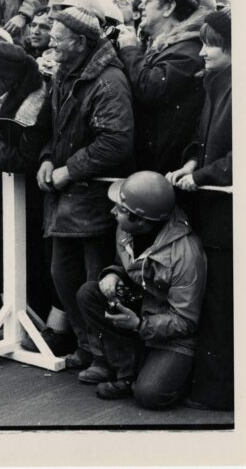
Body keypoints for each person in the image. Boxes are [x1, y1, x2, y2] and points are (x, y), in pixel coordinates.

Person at [36, 6, 134, 370]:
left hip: (94, 201)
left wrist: (69, 171)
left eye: (57, 39)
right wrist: (48, 158)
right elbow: (53, 129)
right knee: (63, 276)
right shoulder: (66, 73)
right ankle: (88, 346)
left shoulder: (108, 81)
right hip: (68, 198)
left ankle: (106, 357)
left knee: (95, 284)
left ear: (79, 42)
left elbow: (115, 142)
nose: (51, 44)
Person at [76, 171, 206, 407]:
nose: (113, 212)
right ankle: (127, 375)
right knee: (90, 293)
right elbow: (124, 265)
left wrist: (138, 325)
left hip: (172, 333)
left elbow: (186, 321)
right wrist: (113, 274)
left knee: (150, 395)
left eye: (121, 209)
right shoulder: (127, 228)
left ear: (142, 219)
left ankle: (169, 374)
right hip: (143, 309)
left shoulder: (186, 254)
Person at [167, 8, 233, 411]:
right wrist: (193, 164)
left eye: (211, 44)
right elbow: (202, 139)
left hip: (227, 219)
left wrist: (204, 174)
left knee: (224, 305)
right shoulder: (216, 84)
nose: (203, 52)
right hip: (214, 215)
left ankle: (221, 394)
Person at [0, 42, 52, 329]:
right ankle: (15, 323)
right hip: (7, 191)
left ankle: (30, 326)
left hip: (35, 196)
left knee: (13, 251)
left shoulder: (33, 103)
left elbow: (28, 157)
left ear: (6, 78)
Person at [117, 0, 205, 175]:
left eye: (148, 0)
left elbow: (150, 88)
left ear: (169, 7)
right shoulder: (165, 48)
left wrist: (129, 50)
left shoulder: (188, 52)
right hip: (152, 167)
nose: (140, 6)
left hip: (167, 173)